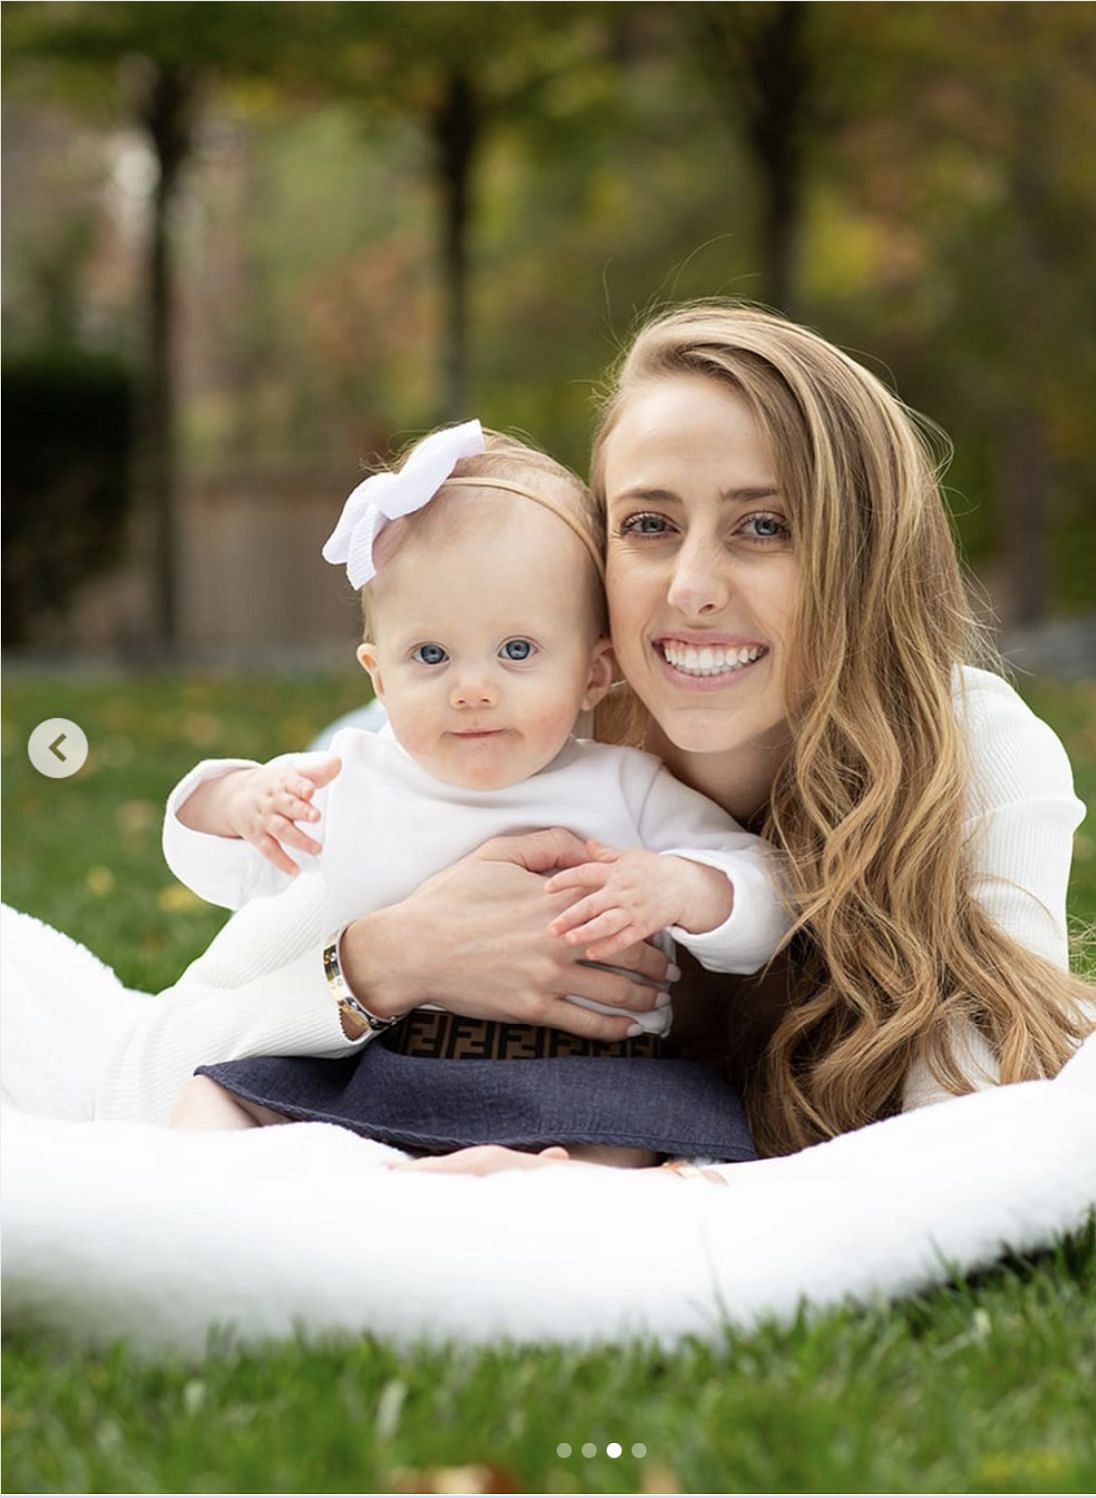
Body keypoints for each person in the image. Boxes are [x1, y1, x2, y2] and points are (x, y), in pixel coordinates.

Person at [45, 301, 1089, 1187]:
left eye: (763, 525)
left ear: (861, 554)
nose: (690, 587)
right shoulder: (492, 752)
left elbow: (981, 1126)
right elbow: (140, 1085)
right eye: (647, 523)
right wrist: (388, 958)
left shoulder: (968, 751)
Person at [160, 420, 794, 1168]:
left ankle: (540, 1182)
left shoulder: (625, 786)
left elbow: (771, 897)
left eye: (517, 651)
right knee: (216, 1094)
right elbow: (215, 864)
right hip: (394, 1067)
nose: (471, 689)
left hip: (584, 1074)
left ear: (593, 673)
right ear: (378, 675)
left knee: (648, 1130)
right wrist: (238, 802)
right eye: (430, 655)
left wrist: (686, 886)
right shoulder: (354, 777)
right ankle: (208, 1195)